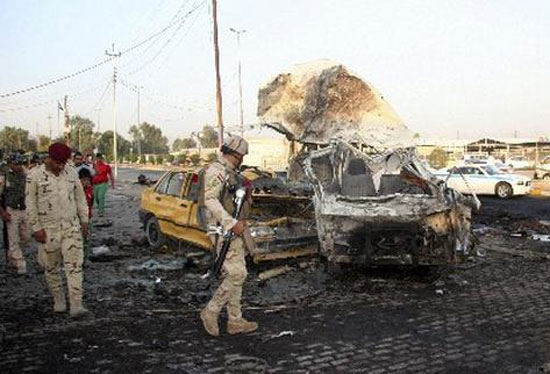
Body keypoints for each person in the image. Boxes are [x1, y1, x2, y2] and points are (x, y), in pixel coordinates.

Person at [200, 135, 258, 337]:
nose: (241, 159)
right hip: (223, 231)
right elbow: (210, 200)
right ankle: (211, 311)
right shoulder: (217, 171)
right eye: (241, 156)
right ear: (235, 154)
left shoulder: (231, 172)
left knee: (238, 273)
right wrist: (231, 224)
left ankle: (235, 320)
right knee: (236, 274)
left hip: (233, 230)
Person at [26, 143, 90, 317]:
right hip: (48, 230)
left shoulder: (71, 172)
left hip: (71, 227)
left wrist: (84, 220)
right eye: (57, 163)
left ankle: (76, 304)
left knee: (75, 266)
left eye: (63, 163)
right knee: (51, 267)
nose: (60, 166)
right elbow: (30, 203)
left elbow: (80, 198)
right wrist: (36, 228)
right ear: (49, 159)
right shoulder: (34, 176)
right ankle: (59, 300)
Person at [0, 154, 30, 274]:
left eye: (20, 163)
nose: (19, 166)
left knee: (26, 236)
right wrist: (3, 212)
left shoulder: (26, 175)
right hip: (11, 210)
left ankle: (12, 255)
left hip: (25, 209)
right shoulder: (4, 177)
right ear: (11, 164)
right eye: (16, 164)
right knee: (13, 238)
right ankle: (20, 264)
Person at [78, 168, 94, 259]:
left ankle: (84, 258)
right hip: (77, 220)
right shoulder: (75, 191)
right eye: (83, 180)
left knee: (87, 239)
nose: (85, 182)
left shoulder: (90, 190)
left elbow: (91, 203)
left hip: (88, 218)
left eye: (87, 180)